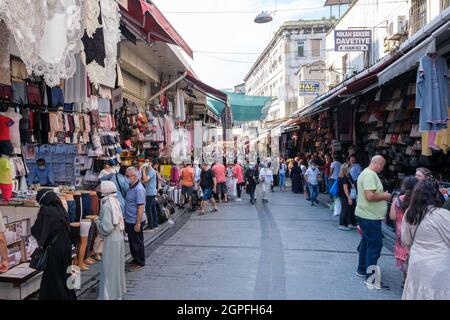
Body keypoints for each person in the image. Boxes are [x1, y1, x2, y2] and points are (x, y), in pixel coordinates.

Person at [401, 179, 450, 300]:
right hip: (439, 264)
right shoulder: (443, 214)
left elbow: (406, 240)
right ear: (435, 195)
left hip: (417, 262)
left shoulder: (410, 214)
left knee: (416, 293)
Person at [30, 190, 76, 300]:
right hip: (66, 247)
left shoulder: (45, 211)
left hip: (54, 248)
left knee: (53, 276)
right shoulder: (61, 210)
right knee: (65, 274)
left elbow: (37, 230)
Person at [355, 155, 392, 290]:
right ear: (378, 163)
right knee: (375, 246)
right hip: (369, 216)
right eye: (382, 166)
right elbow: (370, 196)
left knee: (366, 243)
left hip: (366, 214)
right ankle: (371, 279)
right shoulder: (370, 175)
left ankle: (361, 269)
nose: (382, 169)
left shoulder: (365, 173)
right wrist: (385, 195)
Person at [95, 181, 126, 300]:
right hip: (118, 237)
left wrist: (97, 221)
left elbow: (106, 227)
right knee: (116, 268)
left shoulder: (107, 205)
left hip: (110, 240)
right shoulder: (115, 201)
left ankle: (108, 295)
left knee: (108, 269)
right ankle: (116, 293)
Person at [388, 176, 418, 287]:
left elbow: (392, 217)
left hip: (401, 234)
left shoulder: (399, 199)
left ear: (404, 186)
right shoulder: (420, 200)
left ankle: (405, 280)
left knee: (404, 258)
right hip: (415, 234)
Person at [124, 167, 146, 272]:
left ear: (135, 176)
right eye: (126, 176)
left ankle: (140, 261)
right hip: (129, 219)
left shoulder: (139, 189)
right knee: (132, 242)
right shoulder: (131, 186)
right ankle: (135, 259)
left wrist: (138, 223)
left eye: (128, 176)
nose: (126, 178)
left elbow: (140, 207)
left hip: (135, 220)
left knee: (137, 242)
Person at [337, 163, 357, 231]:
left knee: (349, 210)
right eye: (349, 168)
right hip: (344, 196)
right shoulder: (344, 177)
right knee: (344, 210)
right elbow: (345, 189)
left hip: (346, 195)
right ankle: (341, 224)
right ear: (346, 169)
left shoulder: (347, 175)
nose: (350, 169)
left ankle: (349, 223)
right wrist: (349, 198)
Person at [141, 159, 158, 230]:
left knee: (148, 208)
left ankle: (150, 226)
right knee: (153, 208)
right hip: (151, 192)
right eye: (145, 162)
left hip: (150, 193)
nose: (146, 163)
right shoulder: (150, 171)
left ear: (151, 163)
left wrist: (143, 170)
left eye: (147, 162)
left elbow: (145, 180)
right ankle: (155, 224)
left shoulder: (151, 171)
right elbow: (145, 181)